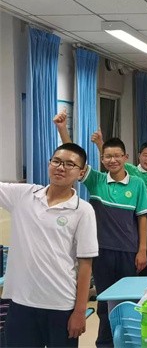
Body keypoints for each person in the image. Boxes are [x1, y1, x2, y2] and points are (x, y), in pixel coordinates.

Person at [54, 112, 147, 347]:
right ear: (102, 158)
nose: (112, 160)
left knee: (128, 299)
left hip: (128, 251)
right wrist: (62, 129)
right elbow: (73, 158)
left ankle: (128, 340)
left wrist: (142, 250)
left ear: (125, 157)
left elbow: (142, 218)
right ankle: (105, 342)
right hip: (101, 251)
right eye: (108, 156)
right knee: (106, 299)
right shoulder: (96, 180)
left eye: (117, 156)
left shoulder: (137, 184)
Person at [1, 143, 98, 347]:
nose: (61, 167)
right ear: (49, 164)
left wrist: (80, 311)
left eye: (70, 164)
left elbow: (85, 264)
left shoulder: (83, 210)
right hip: (21, 303)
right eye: (57, 161)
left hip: (61, 304)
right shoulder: (23, 196)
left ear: (81, 173)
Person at [91, 130, 147, 276]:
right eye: (145, 155)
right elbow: (112, 159)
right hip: (132, 228)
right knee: (132, 267)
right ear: (138, 156)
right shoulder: (131, 171)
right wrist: (100, 143)